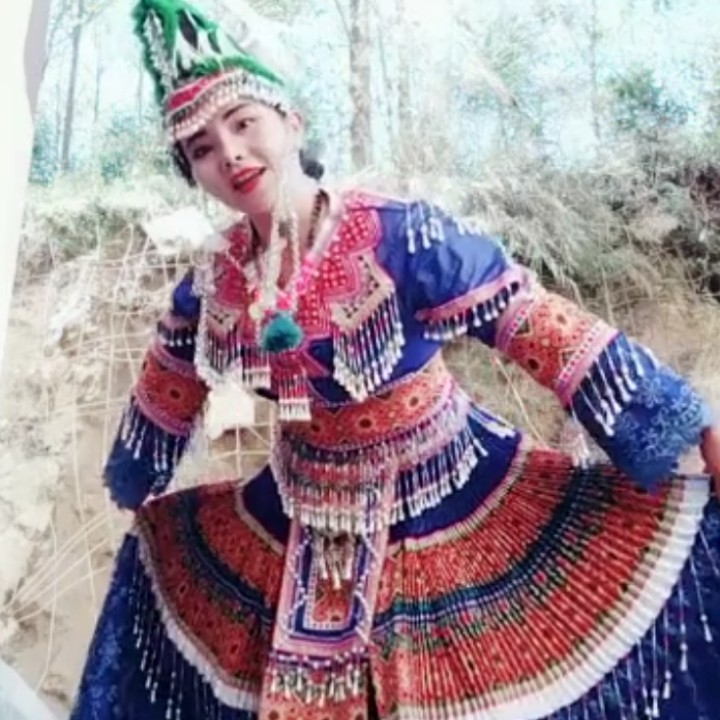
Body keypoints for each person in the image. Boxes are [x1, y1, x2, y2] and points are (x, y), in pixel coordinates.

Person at [70, 0, 720, 718]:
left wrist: (691, 427)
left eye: (243, 122)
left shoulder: (402, 238)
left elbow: (538, 326)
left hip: (445, 490)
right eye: (200, 148)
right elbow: (165, 390)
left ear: (292, 122)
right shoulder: (212, 282)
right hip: (295, 507)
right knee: (164, 559)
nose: (229, 153)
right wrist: (136, 479)